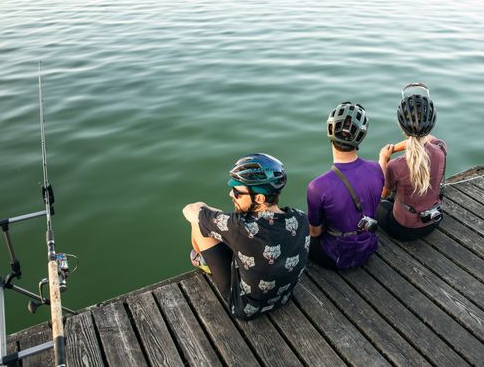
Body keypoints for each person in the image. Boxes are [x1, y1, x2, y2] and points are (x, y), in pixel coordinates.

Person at [182, 153, 309, 320]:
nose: (230, 194)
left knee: (199, 221)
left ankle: (203, 260)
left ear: (259, 198)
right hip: (283, 298)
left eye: (237, 192)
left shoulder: (239, 226)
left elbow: (189, 210)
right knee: (221, 226)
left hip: (245, 307)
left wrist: (210, 212)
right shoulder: (300, 217)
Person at [307, 102, 385, 269]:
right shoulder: (376, 169)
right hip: (367, 249)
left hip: (336, 256)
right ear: (361, 138)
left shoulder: (317, 186)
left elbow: (315, 233)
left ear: (330, 132)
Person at [376, 83, 448, 241]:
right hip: (433, 222)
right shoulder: (441, 150)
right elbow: (425, 141)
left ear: (401, 125)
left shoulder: (395, 166)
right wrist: (396, 148)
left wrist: (384, 158)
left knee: (377, 204)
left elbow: (382, 193)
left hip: (403, 229)